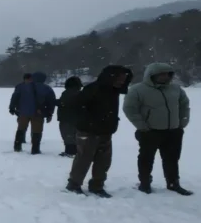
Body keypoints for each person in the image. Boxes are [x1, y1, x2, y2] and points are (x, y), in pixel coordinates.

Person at [122, 63, 192, 195]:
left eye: (167, 74)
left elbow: (184, 105)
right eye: (161, 74)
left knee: (172, 159)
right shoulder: (138, 89)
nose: (165, 77)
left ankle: (173, 183)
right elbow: (130, 109)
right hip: (149, 131)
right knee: (146, 158)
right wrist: (142, 125)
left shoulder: (175, 89)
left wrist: (183, 121)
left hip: (173, 131)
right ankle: (145, 183)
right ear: (151, 75)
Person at [66, 65, 133, 197]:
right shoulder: (92, 89)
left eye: (124, 79)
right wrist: (89, 122)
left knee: (103, 161)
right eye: (120, 78)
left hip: (105, 132)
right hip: (88, 132)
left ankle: (97, 186)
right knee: (83, 159)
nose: (122, 81)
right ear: (111, 77)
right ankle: (74, 185)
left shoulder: (114, 91)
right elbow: (77, 107)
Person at [9, 71, 56, 154]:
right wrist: (49, 113)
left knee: (21, 129)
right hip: (38, 113)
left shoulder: (22, 86)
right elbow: (51, 102)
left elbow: (15, 97)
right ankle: (35, 149)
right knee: (37, 131)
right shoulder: (47, 88)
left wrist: (12, 108)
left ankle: (17, 146)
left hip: (23, 112)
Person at [56, 76, 83, 158]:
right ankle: (74, 151)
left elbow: (64, 103)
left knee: (67, 135)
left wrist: (56, 102)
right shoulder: (79, 93)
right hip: (77, 117)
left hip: (66, 118)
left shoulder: (67, 93)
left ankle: (70, 151)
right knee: (74, 135)